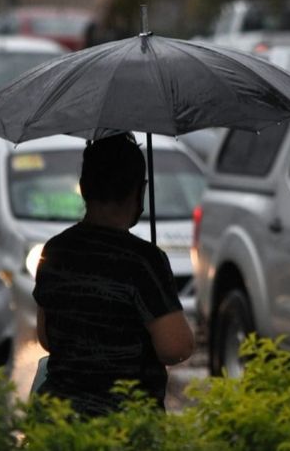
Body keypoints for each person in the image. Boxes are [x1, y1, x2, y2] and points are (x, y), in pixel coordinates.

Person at [32, 133, 195, 417]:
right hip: (125, 425)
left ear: (83, 187)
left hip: (58, 421)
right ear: (140, 191)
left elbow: (46, 337)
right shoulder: (143, 261)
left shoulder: (54, 250)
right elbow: (175, 347)